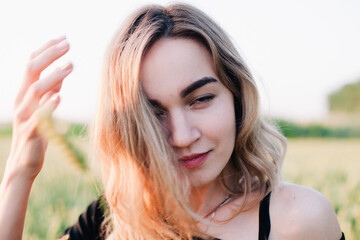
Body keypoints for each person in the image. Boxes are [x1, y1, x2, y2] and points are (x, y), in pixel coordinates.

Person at [0, 3, 345, 240]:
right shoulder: (114, 219)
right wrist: (19, 173)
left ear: (237, 97)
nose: (181, 137)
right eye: (153, 113)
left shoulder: (299, 221)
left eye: (201, 99)